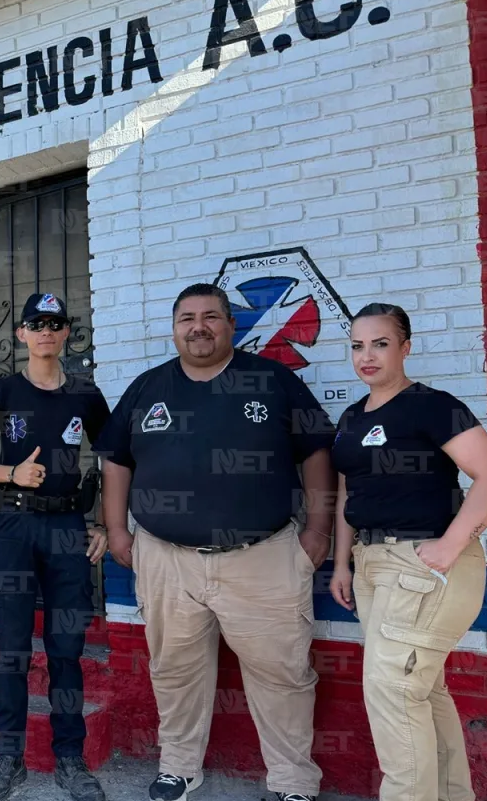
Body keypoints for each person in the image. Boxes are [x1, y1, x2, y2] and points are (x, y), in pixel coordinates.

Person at [87, 282, 334, 801]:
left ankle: (293, 783)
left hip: (263, 558)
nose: (198, 326)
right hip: (166, 559)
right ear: (175, 328)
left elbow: (316, 452)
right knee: (174, 670)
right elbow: (115, 458)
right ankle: (178, 768)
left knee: (282, 675)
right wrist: (116, 530)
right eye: (187, 318)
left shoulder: (273, 380)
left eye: (211, 317)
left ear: (230, 324)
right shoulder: (149, 387)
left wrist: (317, 529)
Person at [327, 303, 487, 801]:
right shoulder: (351, 414)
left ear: (405, 348)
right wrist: (343, 562)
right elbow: (350, 490)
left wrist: (451, 545)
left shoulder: (433, 405)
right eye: (357, 346)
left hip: (423, 564)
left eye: (380, 344)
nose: (367, 356)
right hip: (373, 565)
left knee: (392, 695)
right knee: (421, 693)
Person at [0, 291, 111, 801]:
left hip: (68, 528)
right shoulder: (0, 392)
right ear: (21, 334)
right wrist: (13, 473)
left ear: (67, 332)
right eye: (35, 324)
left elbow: (115, 462)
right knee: (12, 652)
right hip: (14, 529)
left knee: (66, 649)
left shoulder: (87, 396)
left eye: (55, 323)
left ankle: (70, 758)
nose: (45, 331)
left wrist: (106, 526)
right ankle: (9, 759)